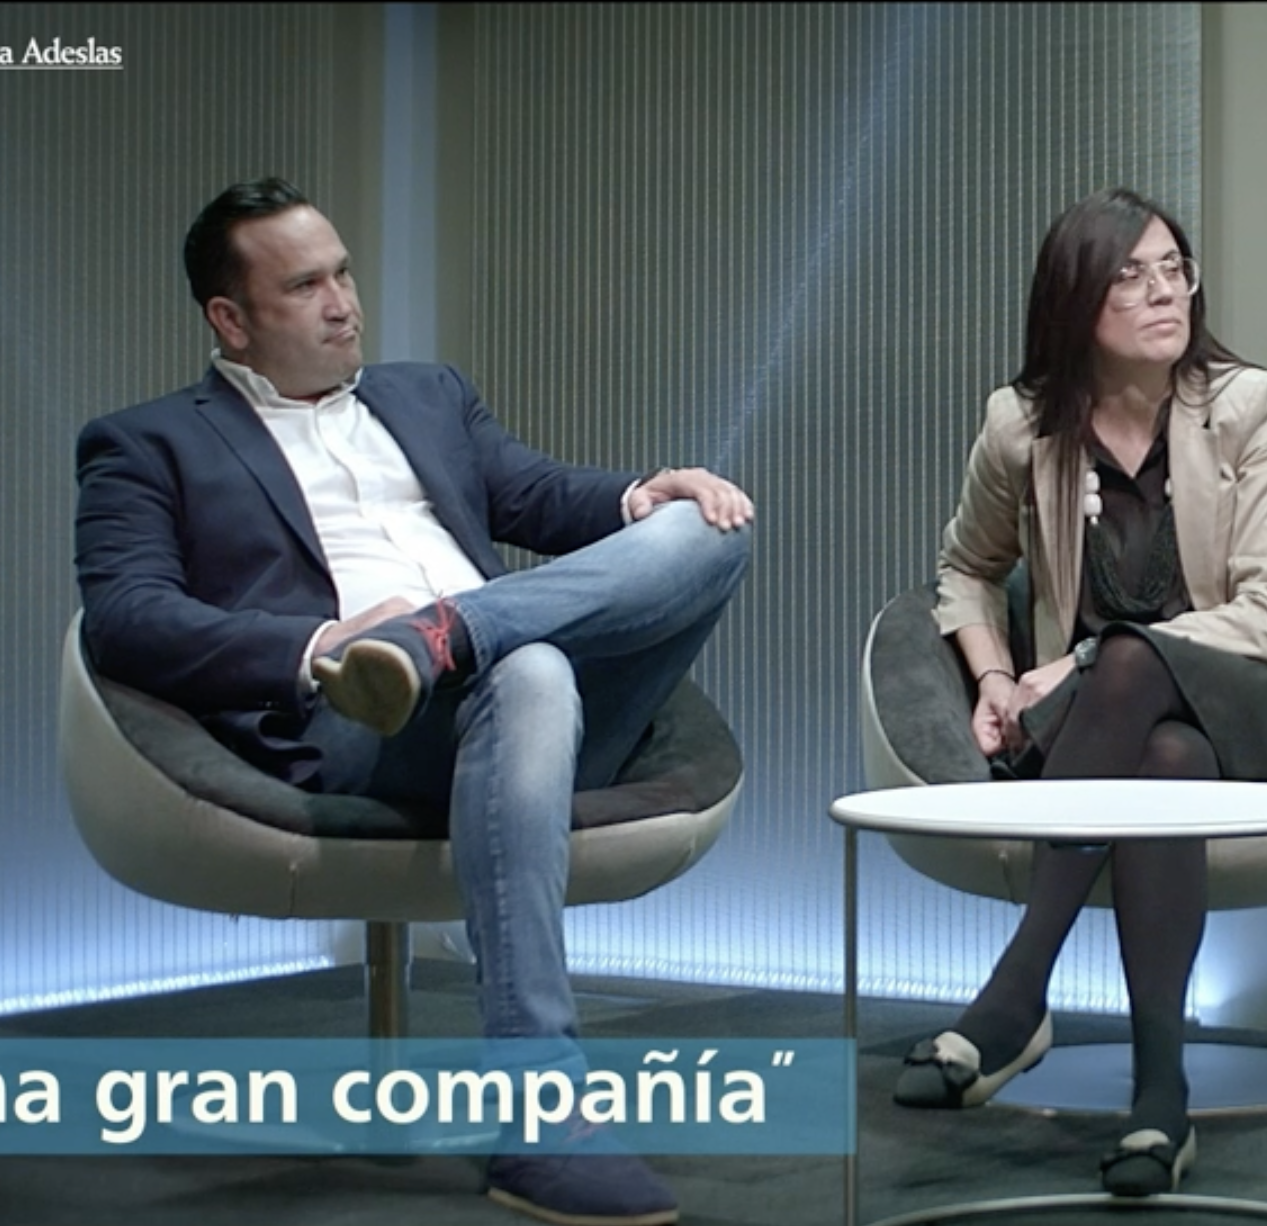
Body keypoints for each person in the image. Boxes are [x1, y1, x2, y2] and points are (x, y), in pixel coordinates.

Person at [72, 178, 755, 1226]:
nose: (344, 302)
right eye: (306, 286)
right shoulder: (147, 442)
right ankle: (541, 1113)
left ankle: (445, 633)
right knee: (530, 670)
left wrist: (637, 496)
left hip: (543, 706)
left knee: (709, 526)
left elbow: (534, 494)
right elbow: (126, 616)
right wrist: (320, 646)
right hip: (362, 722)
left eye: (343, 273)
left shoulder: (427, 394)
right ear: (231, 318)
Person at [894, 187, 1267, 1197]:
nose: (1165, 292)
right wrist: (993, 674)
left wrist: (1075, 664)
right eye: (1131, 275)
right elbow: (966, 569)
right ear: (1075, 303)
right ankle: (1162, 1094)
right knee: (1166, 756)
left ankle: (1017, 991)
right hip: (1138, 738)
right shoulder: (1023, 426)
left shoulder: (1250, 405)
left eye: (1174, 269)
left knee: (1120, 661)